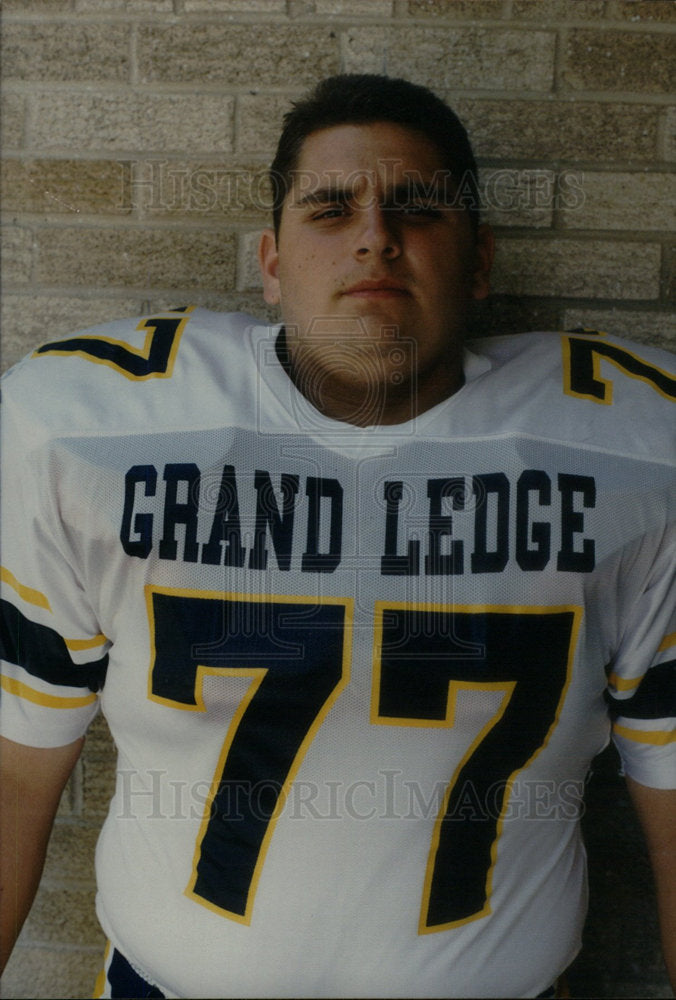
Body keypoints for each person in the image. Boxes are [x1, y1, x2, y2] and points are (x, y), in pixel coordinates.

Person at [1, 73, 674, 999]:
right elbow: (12, 773)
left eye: (418, 208)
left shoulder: (636, 455)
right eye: (330, 208)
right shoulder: (88, 432)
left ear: (480, 261)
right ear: (272, 264)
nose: (373, 237)